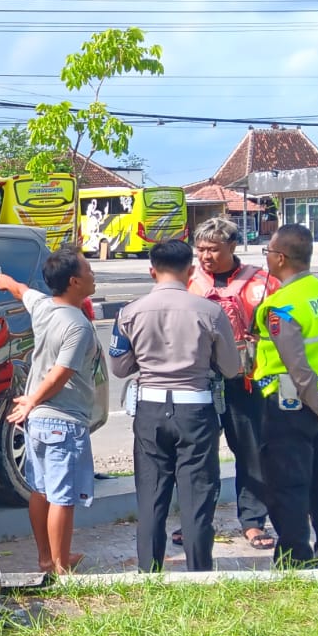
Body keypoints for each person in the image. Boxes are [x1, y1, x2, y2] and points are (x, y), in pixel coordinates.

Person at [108, 240, 241, 572]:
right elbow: (230, 367)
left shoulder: (128, 312)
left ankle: (149, 573)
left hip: (150, 410)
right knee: (197, 500)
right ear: (191, 270)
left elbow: (120, 367)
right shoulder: (210, 311)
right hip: (195, 410)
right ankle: (199, 574)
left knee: (151, 499)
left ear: (152, 271)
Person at [0, 248, 98, 576]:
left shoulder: (44, 306)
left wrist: (6, 282)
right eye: (89, 271)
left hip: (36, 422)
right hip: (61, 419)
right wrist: (33, 399)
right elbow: (61, 373)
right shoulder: (77, 324)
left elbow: (23, 291)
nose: (94, 276)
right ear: (75, 281)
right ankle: (62, 570)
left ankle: (47, 558)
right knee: (62, 496)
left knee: (42, 491)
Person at [254, 224, 318, 567]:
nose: (266, 258)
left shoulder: (281, 305)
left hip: (290, 405)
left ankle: (293, 558)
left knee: (287, 483)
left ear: (280, 258)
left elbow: (296, 365)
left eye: (268, 252)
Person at [187, 216, 278, 551]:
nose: (205, 256)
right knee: (199, 454)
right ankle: (197, 521)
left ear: (232, 246)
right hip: (199, 379)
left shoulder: (262, 282)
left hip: (246, 382)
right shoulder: (187, 280)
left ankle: (253, 521)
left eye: (213, 249)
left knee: (252, 451)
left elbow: (283, 329)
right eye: (200, 249)